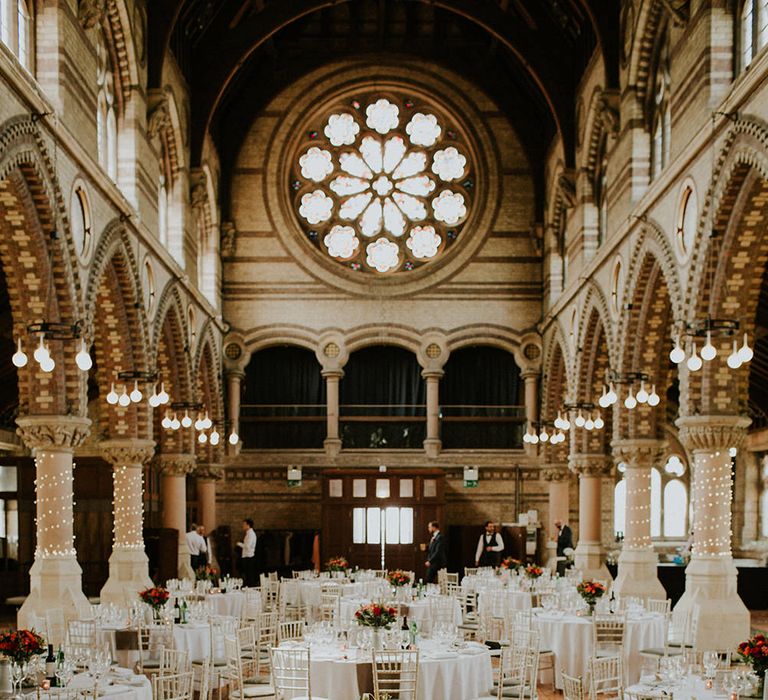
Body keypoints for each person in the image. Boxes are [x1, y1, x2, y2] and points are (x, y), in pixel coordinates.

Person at [237, 518, 257, 586]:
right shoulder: (248, 534)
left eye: (244, 524)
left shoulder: (251, 534)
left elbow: (248, 546)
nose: (243, 526)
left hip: (249, 557)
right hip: (246, 557)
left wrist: (239, 544)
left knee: (249, 576)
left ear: (248, 525)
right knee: (247, 576)